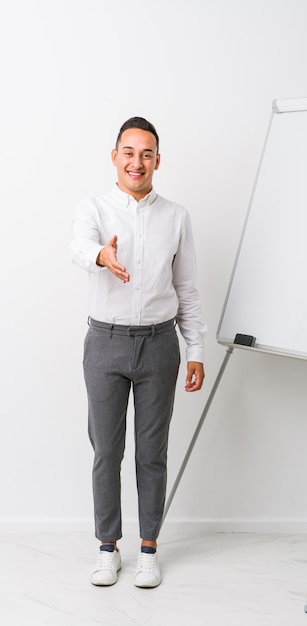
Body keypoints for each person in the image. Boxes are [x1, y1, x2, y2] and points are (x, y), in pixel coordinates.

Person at [71, 117, 207, 587]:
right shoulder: (93, 208)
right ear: (115, 157)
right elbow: (78, 247)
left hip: (158, 346)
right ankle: (107, 548)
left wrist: (196, 349)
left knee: (152, 453)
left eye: (146, 154)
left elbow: (186, 288)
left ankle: (148, 549)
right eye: (128, 152)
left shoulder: (176, 216)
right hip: (104, 343)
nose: (137, 162)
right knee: (106, 451)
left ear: (157, 161)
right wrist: (100, 257)